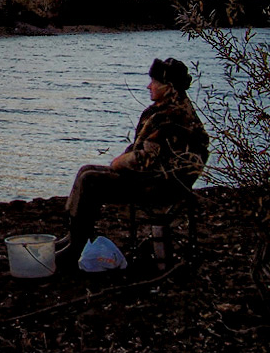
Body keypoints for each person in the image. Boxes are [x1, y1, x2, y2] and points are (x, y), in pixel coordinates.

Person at [57, 57, 209, 267]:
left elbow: (145, 159)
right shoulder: (169, 108)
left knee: (91, 180)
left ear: (169, 87)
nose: (149, 86)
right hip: (156, 178)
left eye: (154, 82)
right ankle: (74, 236)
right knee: (86, 171)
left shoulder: (172, 115)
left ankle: (76, 247)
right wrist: (124, 160)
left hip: (160, 186)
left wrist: (119, 162)